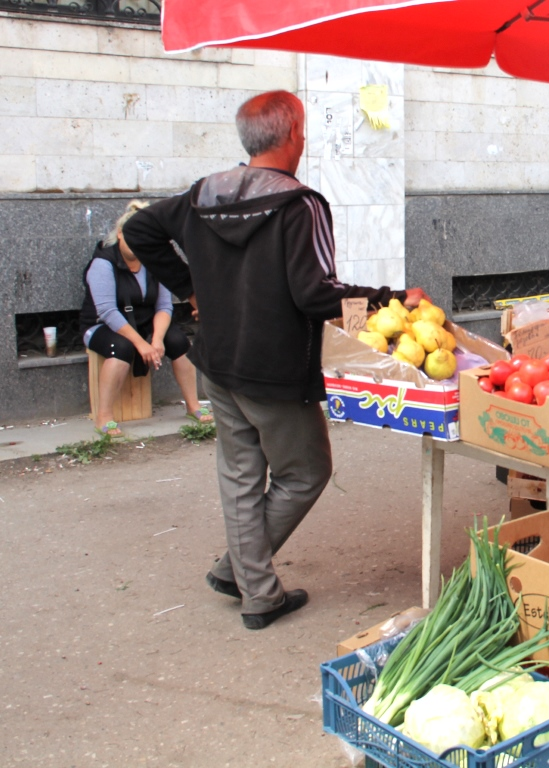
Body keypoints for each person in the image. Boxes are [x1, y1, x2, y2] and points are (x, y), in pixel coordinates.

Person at [121, 90, 427, 630]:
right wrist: (389, 300)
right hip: (272, 368)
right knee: (307, 471)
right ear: (290, 136)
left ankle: (247, 582)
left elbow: (140, 230)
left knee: (241, 476)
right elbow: (316, 295)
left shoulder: (203, 194)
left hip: (217, 360)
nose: (304, 140)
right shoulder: (299, 204)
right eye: (303, 130)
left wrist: (191, 288)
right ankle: (246, 578)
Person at [81, 200, 213, 438]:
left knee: (179, 341)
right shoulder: (103, 263)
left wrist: (158, 340)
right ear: (120, 234)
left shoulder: (153, 262)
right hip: (102, 325)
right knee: (120, 348)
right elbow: (108, 311)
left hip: (143, 323)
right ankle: (104, 416)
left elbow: (164, 306)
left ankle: (193, 406)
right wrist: (141, 344)